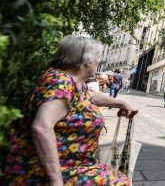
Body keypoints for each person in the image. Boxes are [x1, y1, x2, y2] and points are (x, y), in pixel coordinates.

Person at [2, 36, 136, 185]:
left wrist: (119, 102)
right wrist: (56, 180)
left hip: (74, 164)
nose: (99, 61)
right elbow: (41, 127)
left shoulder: (74, 82)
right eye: (98, 57)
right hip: (44, 169)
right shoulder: (59, 82)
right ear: (86, 60)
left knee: (119, 179)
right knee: (119, 182)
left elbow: (89, 97)